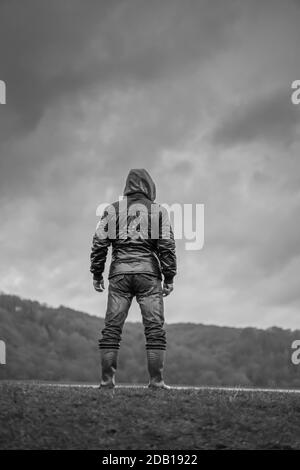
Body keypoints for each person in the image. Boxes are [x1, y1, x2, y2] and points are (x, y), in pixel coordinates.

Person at [90, 169, 177, 389]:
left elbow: (99, 243)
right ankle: (156, 381)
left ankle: (106, 380)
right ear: (150, 186)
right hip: (149, 275)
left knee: (112, 328)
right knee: (154, 328)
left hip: (119, 274)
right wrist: (169, 277)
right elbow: (166, 245)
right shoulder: (158, 211)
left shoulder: (112, 210)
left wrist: (97, 273)